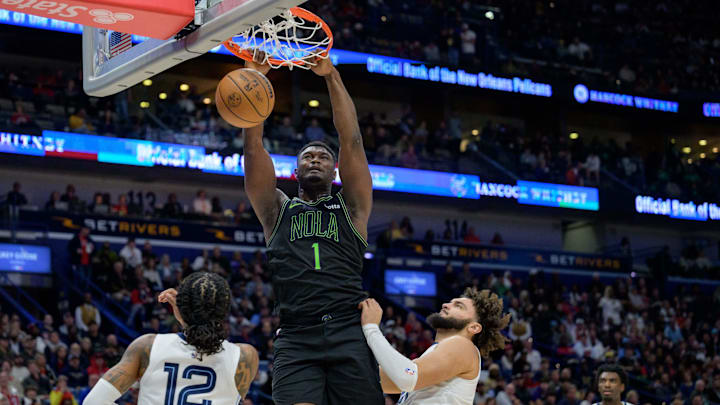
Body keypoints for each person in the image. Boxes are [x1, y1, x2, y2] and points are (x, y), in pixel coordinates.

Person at [243, 54, 380, 405]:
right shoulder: (276, 210)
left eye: (322, 156)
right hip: (296, 333)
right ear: (295, 171)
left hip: (349, 329)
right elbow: (254, 150)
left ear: (335, 171)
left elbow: (351, 140)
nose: (315, 158)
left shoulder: (352, 207)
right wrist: (255, 83)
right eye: (307, 156)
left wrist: (330, 75)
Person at [84, 272, 258, 404]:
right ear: (225, 310)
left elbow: (93, 401)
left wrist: (185, 319)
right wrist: (187, 319)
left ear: (180, 308)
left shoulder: (148, 346)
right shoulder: (245, 356)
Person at [359, 289, 511, 404]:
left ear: (474, 327)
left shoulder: (464, 346)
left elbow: (406, 377)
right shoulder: (434, 355)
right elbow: (372, 380)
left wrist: (371, 328)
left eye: (459, 306)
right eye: (450, 302)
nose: (445, 305)